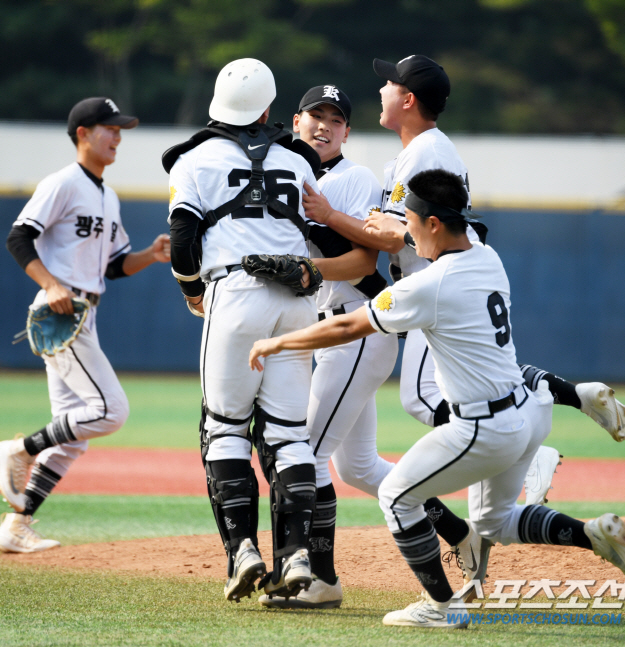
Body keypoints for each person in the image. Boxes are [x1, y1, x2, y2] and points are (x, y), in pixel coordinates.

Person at [249, 169, 625, 629]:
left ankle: (440, 606)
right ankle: (593, 535)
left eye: (410, 222)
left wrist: (276, 343)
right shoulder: (487, 256)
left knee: (398, 495)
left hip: (484, 428)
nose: (404, 233)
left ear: (435, 224)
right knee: (494, 523)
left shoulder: (431, 284)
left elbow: (346, 326)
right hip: (526, 415)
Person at [302, 55, 625, 445]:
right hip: (459, 274)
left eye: (390, 82)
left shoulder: (426, 151)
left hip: (443, 279)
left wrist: (330, 215)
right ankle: (569, 395)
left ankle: (518, 451)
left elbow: (393, 236)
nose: (381, 88)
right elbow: (390, 228)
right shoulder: (418, 153)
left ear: (408, 99)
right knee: (478, 376)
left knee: (423, 397)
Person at [164, 59, 369, 604]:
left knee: (225, 429)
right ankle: (297, 553)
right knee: (287, 435)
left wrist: (191, 291)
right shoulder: (296, 159)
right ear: (270, 110)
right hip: (297, 301)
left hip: (235, 294)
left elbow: (184, 240)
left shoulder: (194, 158)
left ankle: (243, 554)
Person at [0, 97, 171, 553]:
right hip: (61, 311)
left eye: (120, 130)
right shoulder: (64, 183)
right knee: (110, 411)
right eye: (108, 128)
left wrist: (148, 256)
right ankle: (19, 450)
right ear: (82, 134)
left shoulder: (107, 195)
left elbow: (112, 266)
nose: (117, 137)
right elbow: (19, 236)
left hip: (85, 312)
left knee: (73, 436)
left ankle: (15, 526)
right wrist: (50, 284)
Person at [258, 85, 398, 610]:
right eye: (316, 115)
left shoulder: (352, 177)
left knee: (305, 453)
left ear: (346, 131)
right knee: (359, 466)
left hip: (355, 326)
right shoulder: (283, 171)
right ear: (296, 122)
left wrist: (315, 224)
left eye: (335, 119)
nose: (324, 125)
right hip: (329, 328)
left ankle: (322, 578)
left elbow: (365, 262)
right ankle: (456, 532)